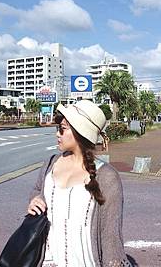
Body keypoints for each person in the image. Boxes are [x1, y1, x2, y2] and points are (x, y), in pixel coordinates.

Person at [27, 100, 132, 267]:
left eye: (62, 129)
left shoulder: (106, 177)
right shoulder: (50, 164)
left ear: (79, 133)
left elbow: (110, 234)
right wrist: (35, 200)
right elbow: (37, 191)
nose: (57, 134)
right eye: (57, 129)